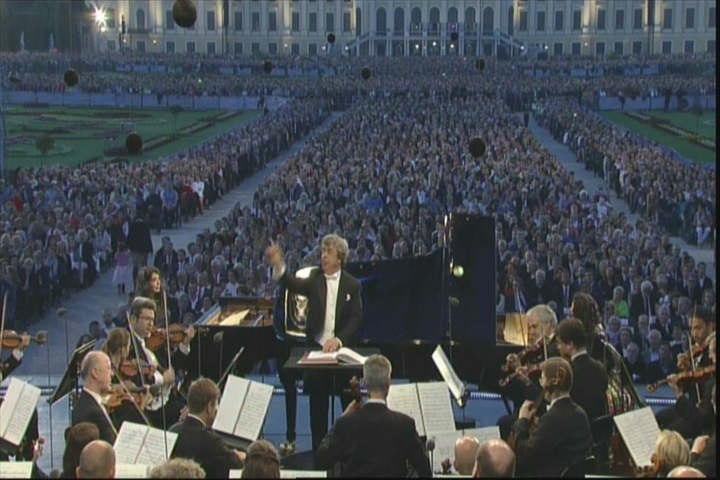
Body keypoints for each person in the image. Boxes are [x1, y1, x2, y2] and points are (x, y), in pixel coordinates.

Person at [266, 234, 363, 458]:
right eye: (322, 252)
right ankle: (319, 457)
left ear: (340, 258)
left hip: (343, 357)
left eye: (328, 252)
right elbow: (292, 283)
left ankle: (350, 456)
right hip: (317, 354)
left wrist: (339, 340)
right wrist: (278, 264)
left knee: (349, 408)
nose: (324, 256)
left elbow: (356, 318)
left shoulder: (352, 284)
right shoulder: (315, 278)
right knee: (317, 411)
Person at [316, 354, 431, 477]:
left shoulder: (345, 423)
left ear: (365, 384)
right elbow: (425, 471)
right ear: (388, 383)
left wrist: (343, 417)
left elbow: (322, 459)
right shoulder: (405, 425)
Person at [511, 357, 592, 477]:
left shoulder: (551, 419)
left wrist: (522, 421)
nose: (540, 383)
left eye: (542, 378)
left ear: (549, 383)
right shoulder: (581, 414)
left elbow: (524, 456)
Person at [126, 296, 191, 428]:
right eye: (146, 319)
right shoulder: (129, 345)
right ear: (133, 319)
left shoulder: (151, 343)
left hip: (168, 400)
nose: (151, 324)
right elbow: (138, 383)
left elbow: (171, 366)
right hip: (151, 411)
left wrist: (184, 343)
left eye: (152, 319)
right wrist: (163, 380)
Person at [169, 377, 245, 477]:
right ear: (209, 407)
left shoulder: (173, 430)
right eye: (216, 404)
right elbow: (235, 463)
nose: (217, 409)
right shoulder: (211, 442)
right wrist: (240, 456)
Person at [553, 317, 609, 424]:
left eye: (559, 343)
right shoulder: (600, 367)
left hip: (577, 429)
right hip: (599, 430)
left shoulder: (569, 372)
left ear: (570, 345)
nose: (558, 347)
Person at [72, 351, 117, 444]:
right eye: (108, 368)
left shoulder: (85, 403)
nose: (112, 374)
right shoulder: (93, 413)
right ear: (95, 372)